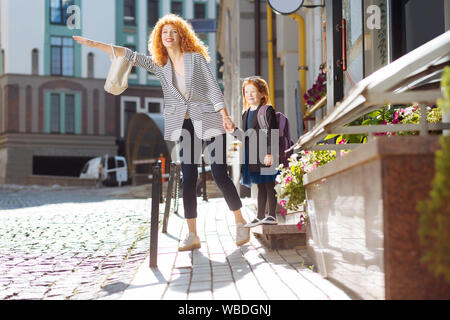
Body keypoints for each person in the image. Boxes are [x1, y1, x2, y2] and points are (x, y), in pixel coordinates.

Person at [73, 14, 250, 251]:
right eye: (164, 32)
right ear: (159, 37)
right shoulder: (160, 65)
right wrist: (95, 45)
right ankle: (192, 234)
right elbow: (130, 55)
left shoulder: (196, 59)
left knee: (219, 174)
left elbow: (212, 88)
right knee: (188, 177)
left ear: (181, 35)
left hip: (208, 119)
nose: (168, 35)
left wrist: (225, 115)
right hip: (184, 125)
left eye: (173, 32)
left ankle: (240, 222)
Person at [233, 77, 279, 228]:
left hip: (265, 154)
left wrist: (270, 153)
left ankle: (272, 215)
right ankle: (260, 216)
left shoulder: (267, 110)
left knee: (269, 185)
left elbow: (273, 132)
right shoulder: (245, 113)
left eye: (253, 91)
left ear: (261, 93)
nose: (250, 95)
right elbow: (246, 137)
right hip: (252, 155)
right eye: (247, 92)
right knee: (260, 185)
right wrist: (233, 130)